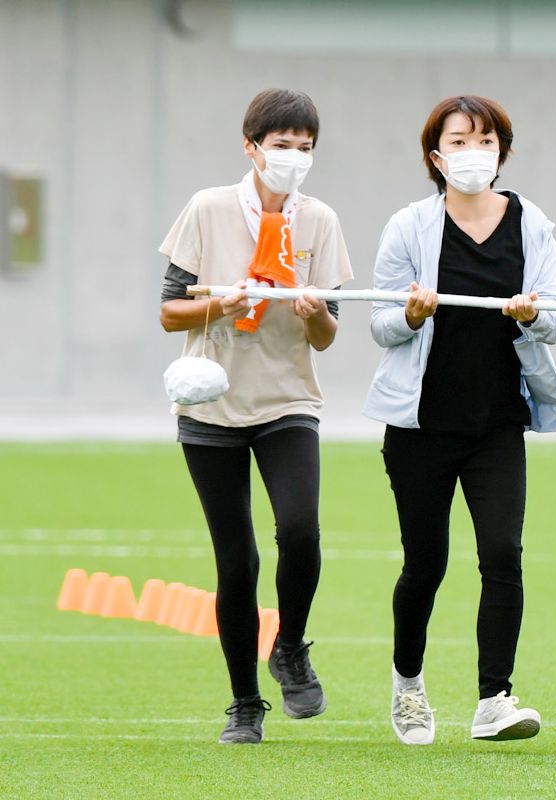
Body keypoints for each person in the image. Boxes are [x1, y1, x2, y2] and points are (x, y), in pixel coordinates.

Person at [364, 95, 556, 746]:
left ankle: (494, 699)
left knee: (503, 556)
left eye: (484, 140)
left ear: (502, 152)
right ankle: (407, 685)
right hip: (421, 425)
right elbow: (378, 325)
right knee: (425, 563)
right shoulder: (409, 227)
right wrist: (413, 315)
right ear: (436, 156)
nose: (472, 152)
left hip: (497, 422)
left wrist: (531, 315)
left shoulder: (532, 224)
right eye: (458, 142)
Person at [158, 88, 352, 744]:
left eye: (304, 148)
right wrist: (227, 300)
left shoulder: (319, 221)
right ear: (251, 146)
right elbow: (168, 312)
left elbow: (328, 336)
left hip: (287, 400)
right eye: (281, 145)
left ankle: (290, 646)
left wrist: (314, 312)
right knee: (235, 561)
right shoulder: (208, 209)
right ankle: (244, 704)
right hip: (211, 404)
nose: (293, 158)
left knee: (300, 531)